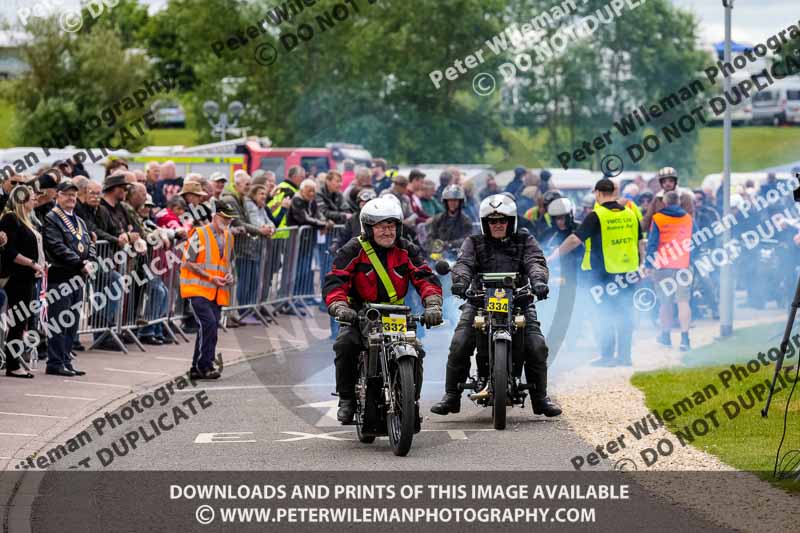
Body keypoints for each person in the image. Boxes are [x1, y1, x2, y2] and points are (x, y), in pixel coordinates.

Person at [430, 194, 560, 417]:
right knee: (459, 343)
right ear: (484, 223)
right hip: (479, 300)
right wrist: (460, 282)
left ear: (511, 221)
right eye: (492, 221)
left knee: (537, 346)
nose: (498, 225)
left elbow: (535, 262)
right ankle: (451, 396)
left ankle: (541, 399)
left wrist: (539, 281)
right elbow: (463, 264)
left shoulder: (524, 239)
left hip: (518, 301)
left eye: (502, 220)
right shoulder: (474, 241)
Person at [323, 196, 443, 423]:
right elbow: (335, 281)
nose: (387, 232)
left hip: (396, 314)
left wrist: (433, 304)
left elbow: (425, 277)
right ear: (368, 228)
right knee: (345, 344)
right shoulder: (353, 249)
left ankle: (410, 402)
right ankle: (347, 399)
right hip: (360, 314)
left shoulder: (407, 249)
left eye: (391, 226)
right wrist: (340, 307)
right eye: (381, 227)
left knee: (416, 350)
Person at [547, 178, 644, 367]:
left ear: (598, 193)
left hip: (603, 273)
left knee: (603, 313)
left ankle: (607, 356)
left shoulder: (596, 215)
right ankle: (625, 356)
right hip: (628, 272)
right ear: (613, 193)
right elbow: (640, 242)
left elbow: (575, 240)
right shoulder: (631, 214)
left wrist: (553, 256)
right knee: (625, 313)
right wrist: (641, 264)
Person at [179, 198, 239, 380]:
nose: (228, 222)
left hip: (216, 290)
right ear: (215, 216)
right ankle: (204, 365)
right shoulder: (199, 234)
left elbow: (226, 263)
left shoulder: (229, 237)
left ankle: (198, 367)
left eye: (230, 219)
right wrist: (210, 277)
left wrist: (229, 275)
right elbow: (187, 262)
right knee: (209, 325)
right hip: (197, 289)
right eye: (224, 218)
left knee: (208, 328)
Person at [43, 180, 96, 376]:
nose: (71, 197)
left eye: (73, 194)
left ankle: (65, 360)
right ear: (57, 195)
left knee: (72, 323)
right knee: (59, 321)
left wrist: (90, 260)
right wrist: (80, 263)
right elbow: (57, 246)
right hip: (60, 276)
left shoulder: (79, 220)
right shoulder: (52, 218)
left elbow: (90, 242)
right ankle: (55, 362)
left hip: (77, 277)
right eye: (66, 194)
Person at [0, 185, 44, 378]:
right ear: (22, 199)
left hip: (27, 277)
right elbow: (9, 251)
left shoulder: (29, 219)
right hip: (15, 277)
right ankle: (12, 364)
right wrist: (32, 263)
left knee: (21, 322)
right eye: (32, 197)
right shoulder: (11, 218)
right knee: (17, 322)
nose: (35, 200)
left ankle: (14, 362)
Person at [646, 190, 693, 351]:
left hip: (663, 266)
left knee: (665, 302)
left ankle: (666, 336)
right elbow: (697, 240)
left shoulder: (657, 219)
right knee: (683, 302)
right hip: (683, 265)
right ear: (679, 202)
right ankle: (685, 339)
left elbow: (652, 244)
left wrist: (648, 265)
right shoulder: (688, 218)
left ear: (665, 202)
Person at [288, 179, 332, 304]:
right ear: (302, 191)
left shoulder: (311, 201)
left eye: (314, 191)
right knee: (299, 270)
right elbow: (304, 219)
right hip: (297, 242)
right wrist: (323, 224)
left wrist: (325, 222)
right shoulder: (297, 200)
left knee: (307, 269)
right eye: (309, 191)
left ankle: (305, 296)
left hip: (308, 241)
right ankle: (296, 298)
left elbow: (318, 215)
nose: (312, 194)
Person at [424, 184, 473, 255]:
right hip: (439, 256)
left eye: (455, 200)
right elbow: (429, 239)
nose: (452, 203)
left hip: (458, 255)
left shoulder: (466, 220)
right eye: (450, 200)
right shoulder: (438, 219)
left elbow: (468, 240)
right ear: (446, 202)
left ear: (460, 202)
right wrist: (435, 247)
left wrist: (449, 244)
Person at [642, 167, 693, 231]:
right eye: (664, 181)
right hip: (661, 234)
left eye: (671, 181)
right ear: (661, 183)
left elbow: (689, 219)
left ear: (675, 182)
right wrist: (638, 231)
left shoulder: (685, 197)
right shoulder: (657, 198)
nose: (667, 184)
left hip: (680, 234)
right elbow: (647, 219)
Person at [267, 165, 305, 237]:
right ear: (294, 177)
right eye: (302, 177)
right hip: (281, 231)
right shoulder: (290, 191)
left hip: (275, 230)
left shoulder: (282, 186)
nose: (303, 180)